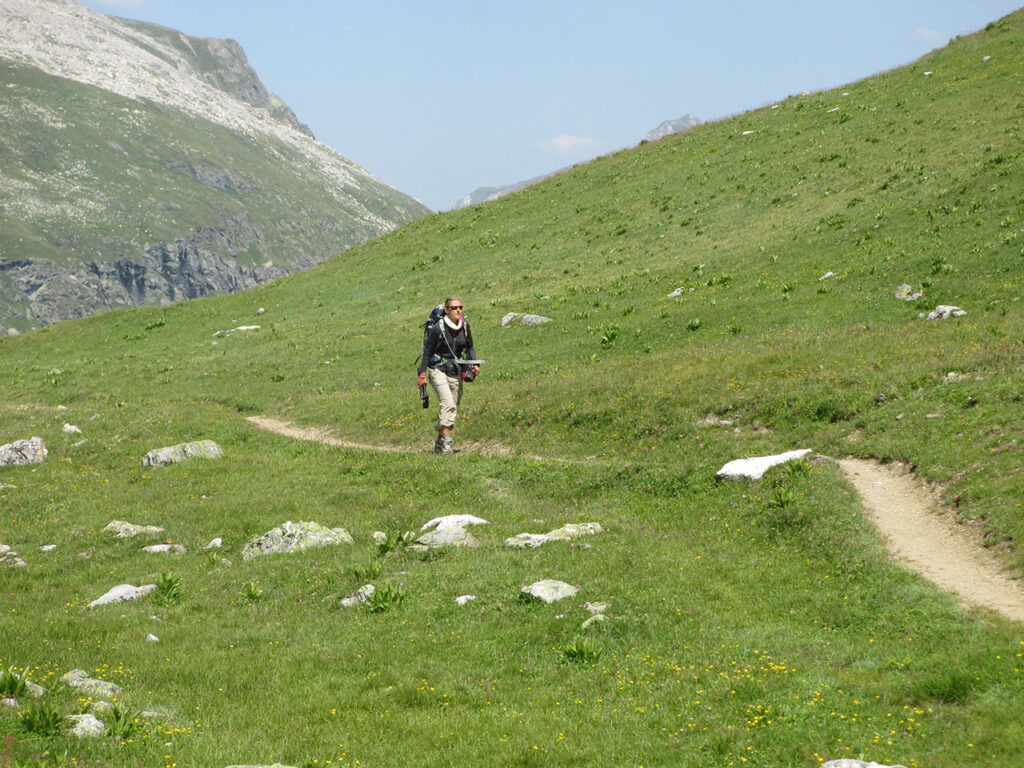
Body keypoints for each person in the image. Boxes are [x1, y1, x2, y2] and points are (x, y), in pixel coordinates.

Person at [417, 296, 480, 454]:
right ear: (447, 310)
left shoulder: (465, 326)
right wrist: (422, 374)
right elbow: (427, 352)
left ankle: (440, 442)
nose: (458, 310)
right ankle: (446, 447)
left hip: (455, 371)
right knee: (448, 405)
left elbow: (470, 348)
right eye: (454, 308)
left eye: (460, 307)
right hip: (437, 369)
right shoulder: (438, 328)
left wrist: (475, 364)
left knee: (453, 407)